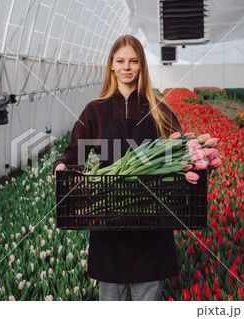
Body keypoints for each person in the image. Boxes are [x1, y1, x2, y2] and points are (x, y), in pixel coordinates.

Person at [53, 34, 184, 301]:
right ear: (111, 64)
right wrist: (62, 165)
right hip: (108, 218)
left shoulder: (158, 109)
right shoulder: (95, 110)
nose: (127, 67)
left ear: (141, 66)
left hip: (151, 218)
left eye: (133, 61)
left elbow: (182, 152)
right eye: (121, 60)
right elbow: (74, 154)